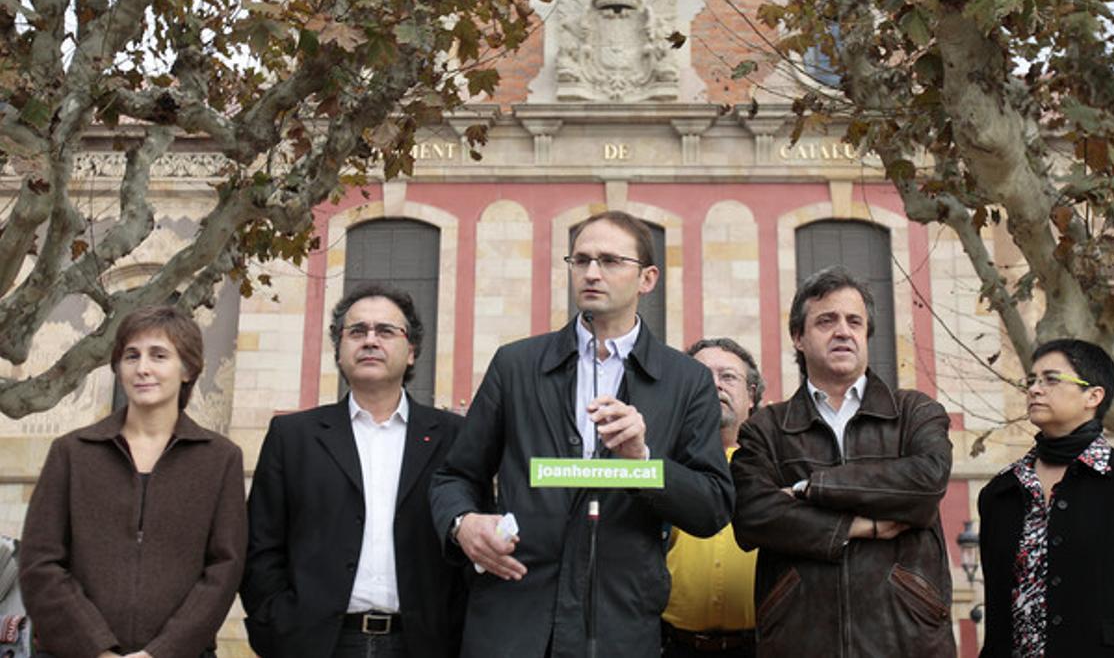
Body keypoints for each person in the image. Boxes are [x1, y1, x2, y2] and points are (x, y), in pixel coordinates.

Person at [429, 210, 734, 658]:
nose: (592, 272)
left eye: (610, 261)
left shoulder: (686, 381)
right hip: (513, 621)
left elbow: (711, 507)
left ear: (647, 279)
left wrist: (643, 466)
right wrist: (463, 524)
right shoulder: (515, 365)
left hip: (618, 627)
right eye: (581, 260)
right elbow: (454, 476)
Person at [730, 265, 955, 658]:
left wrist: (809, 489)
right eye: (826, 321)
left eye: (854, 321)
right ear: (798, 337)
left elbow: (926, 484)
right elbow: (752, 515)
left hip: (906, 637)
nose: (843, 331)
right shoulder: (766, 428)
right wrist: (859, 525)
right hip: (799, 640)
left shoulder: (914, 413)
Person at [241, 285, 466, 658]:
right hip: (316, 643)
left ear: (411, 352)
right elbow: (261, 547)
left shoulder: (453, 437)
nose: (370, 340)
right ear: (339, 350)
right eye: (357, 331)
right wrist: (279, 625)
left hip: (423, 643)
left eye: (386, 331)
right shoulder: (293, 437)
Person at [19, 306, 246, 658]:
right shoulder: (72, 453)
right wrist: (98, 649)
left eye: (159, 356)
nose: (143, 368)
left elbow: (224, 570)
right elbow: (40, 564)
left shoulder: (220, 459)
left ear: (187, 369)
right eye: (131, 355)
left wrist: (161, 653)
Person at [978, 339, 1114, 657]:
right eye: (1031, 380)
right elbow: (999, 605)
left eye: (1051, 379)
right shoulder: (1001, 492)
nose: (1035, 389)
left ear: (1093, 396)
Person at [661, 338, 763, 658]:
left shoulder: (775, 466)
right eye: (701, 376)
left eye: (728, 377)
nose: (714, 385)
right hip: (671, 646)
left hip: (760, 646)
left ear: (753, 396)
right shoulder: (657, 464)